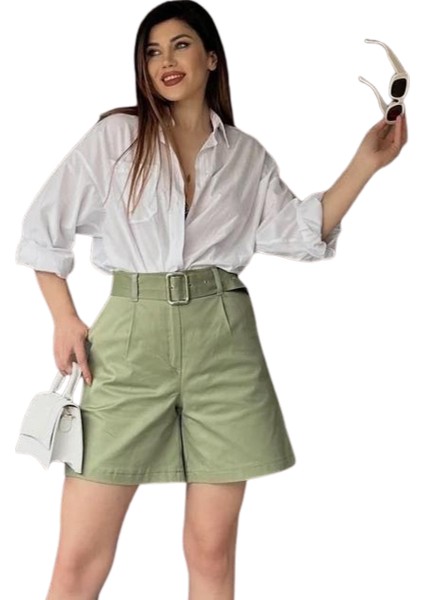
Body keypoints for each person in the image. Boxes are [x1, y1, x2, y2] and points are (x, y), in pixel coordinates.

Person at [15, 1, 408, 598]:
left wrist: (367, 162)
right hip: (128, 342)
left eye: (180, 45)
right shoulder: (116, 138)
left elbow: (299, 234)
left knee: (211, 551)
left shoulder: (246, 155)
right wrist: (64, 318)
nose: (165, 61)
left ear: (212, 58)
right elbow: (43, 229)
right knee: (79, 558)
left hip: (224, 341)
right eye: (152, 52)